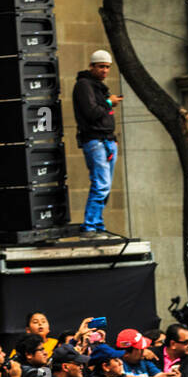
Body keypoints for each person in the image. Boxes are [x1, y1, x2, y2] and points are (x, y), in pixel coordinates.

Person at [73, 50, 121, 237]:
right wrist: (109, 103)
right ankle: (90, 225)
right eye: (101, 66)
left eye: (107, 67)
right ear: (91, 66)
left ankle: (97, 223)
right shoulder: (84, 85)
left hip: (107, 141)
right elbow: (91, 112)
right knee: (101, 185)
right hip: (95, 141)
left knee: (105, 187)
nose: (104, 71)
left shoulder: (98, 86)